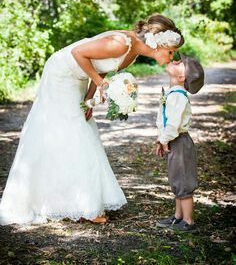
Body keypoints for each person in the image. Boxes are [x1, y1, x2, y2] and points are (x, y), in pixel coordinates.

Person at [0, 14, 184, 225]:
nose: (171, 58)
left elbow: (102, 69)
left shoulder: (131, 55)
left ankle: (75, 200)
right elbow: (78, 53)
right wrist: (99, 84)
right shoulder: (120, 44)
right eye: (170, 52)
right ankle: (81, 205)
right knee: (70, 129)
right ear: (159, 45)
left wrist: (88, 100)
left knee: (80, 124)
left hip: (78, 76)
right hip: (61, 72)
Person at [156, 54, 204, 232]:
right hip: (173, 140)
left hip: (179, 141)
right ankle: (178, 216)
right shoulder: (172, 93)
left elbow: (174, 123)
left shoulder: (178, 97)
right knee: (176, 178)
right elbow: (164, 120)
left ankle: (189, 221)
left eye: (179, 63)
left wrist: (164, 139)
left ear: (182, 77)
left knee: (183, 180)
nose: (175, 61)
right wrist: (161, 139)